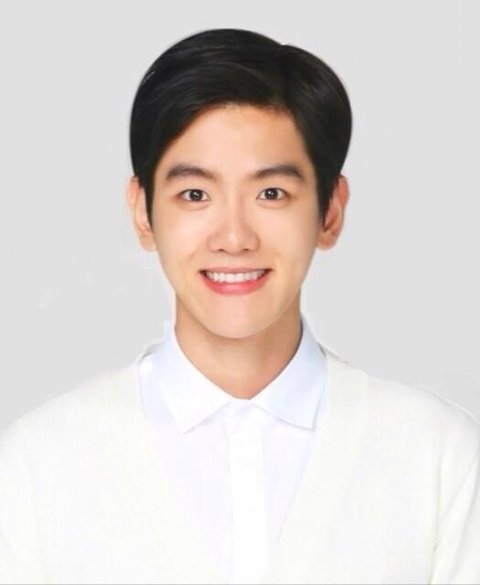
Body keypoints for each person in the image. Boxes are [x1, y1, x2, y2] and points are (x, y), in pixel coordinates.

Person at [1, 27, 479, 585]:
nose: (234, 237)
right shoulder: (36, 464)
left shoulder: (438, 457)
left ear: (330, 211)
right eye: (195, 194)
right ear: (142, 212)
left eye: (271, 194)